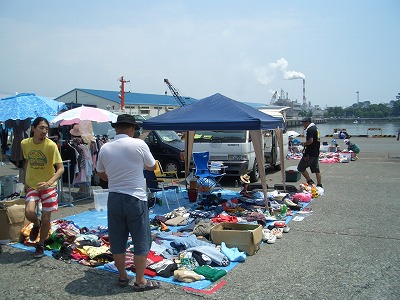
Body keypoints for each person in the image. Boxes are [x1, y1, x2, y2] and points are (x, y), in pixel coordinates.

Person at [96, 114, 161, 291]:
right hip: (135, 198)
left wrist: (113, 179)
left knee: (117, 239)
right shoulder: (139, 144)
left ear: (116, 128)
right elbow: (151, 166)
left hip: (115, 197)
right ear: (132, 129)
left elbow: (100, 172)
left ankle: (123, 276)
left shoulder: (105, 147)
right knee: (141, 239)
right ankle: (140, 281)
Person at [21, 117, 64, 258]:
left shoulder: (51, 146)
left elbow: (60, 168)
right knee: (29, 211)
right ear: (33, 128)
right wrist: (24, 180)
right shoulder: (25, 143)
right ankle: (36, 224)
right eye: (41, 128)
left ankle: (40, 245)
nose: (44, 131)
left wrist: (48, 182)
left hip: (48, 185)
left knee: (47, 217)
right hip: (32, 184)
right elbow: (27, 162)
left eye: (46, 128)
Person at [297, 117, 322, 188]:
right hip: (316, 152)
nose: (303, 124)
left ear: (308, 122)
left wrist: (304, 143)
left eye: (304, 123)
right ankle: (319, 184)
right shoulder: (316, 129)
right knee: (316, 169)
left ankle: (309, 181)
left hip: (310, 153)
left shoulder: (310, 130)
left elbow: (310, 141)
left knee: (301, 168)